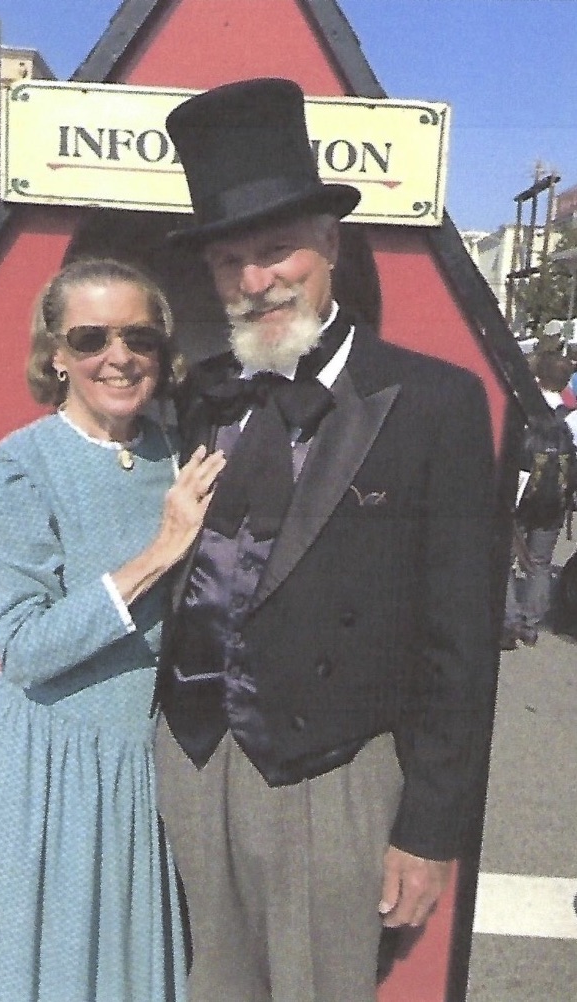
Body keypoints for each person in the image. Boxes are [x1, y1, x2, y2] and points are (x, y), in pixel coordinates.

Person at [153, 79, 497, 1002]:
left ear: (331, 244)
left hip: (329, 773)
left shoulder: (437, 402)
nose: (256, 281)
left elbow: (462, 647)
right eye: (230, 262)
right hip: (187, 761)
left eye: (276, 251)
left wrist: (429, 830)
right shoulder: (202, 393)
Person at [0, 257, 225, 1002]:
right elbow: (25, 649)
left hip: (144, 763)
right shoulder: (14, 473)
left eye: (138, 337)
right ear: (54, 353)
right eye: (90, 338)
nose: (116, 357)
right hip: (47, 767)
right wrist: (159, 553)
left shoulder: (177, 453)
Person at [502, 350, 576, 649]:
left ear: (538, 377)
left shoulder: (521, 410)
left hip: (520, 497)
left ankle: (509, 621)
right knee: (541, 563)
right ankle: (531, 625)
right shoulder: (572, 418)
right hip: (554, 503)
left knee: (507, 560)